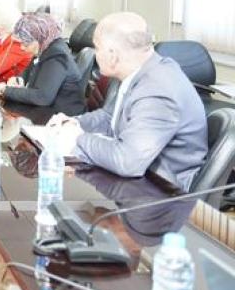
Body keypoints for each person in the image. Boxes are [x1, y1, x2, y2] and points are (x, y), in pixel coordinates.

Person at [48, 12, 207, 191]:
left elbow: (127, 162)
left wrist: (77, 138)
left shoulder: (157, 90)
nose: (95, 54)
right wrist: (74, 123)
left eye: (97, 48)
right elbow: (110, 117)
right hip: (139, 178)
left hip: (161, 192)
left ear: (113, 55)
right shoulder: (139, 72)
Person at [0, 13, 85, 115]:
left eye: (25, 44)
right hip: (48, 112)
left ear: (39, 39)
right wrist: (19, 79)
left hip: (63, 117)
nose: (22, 47)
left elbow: (42, 97)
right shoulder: (44, 47)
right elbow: (29, 70)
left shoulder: (57, 56)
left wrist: (6, 90)